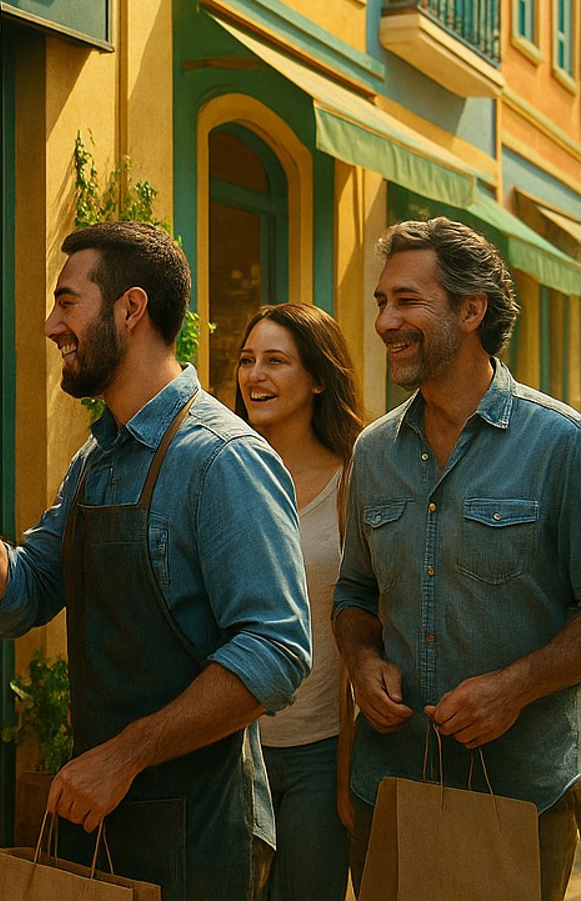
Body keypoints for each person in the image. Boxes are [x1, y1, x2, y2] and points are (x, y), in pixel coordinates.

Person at [0, 220, 312, 899]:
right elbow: (15, 599)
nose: (49, 325)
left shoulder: (224, 458)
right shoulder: (96, 463)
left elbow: (277, 651)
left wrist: (125, 756)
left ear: (131, 309)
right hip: (100, 816)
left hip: (199, 827)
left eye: (67, 302)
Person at [334, 217, 581, 901]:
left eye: (407, 300)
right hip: (391, 786)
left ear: (472, 310)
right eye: (382, 302)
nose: (385, 321)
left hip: (521, 797)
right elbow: (353, 595)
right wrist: (361, 662)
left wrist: (515, 687)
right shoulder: (374, 452)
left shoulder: (562, 446)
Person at [234, 303, 363, 901]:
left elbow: (363, 623)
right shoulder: (221, 472)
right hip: (229, 747)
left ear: (316, 377)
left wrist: (345, 774)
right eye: (247, 360)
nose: (254, 375)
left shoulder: (354, 481)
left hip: (319, 754)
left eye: (275, 361)